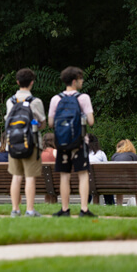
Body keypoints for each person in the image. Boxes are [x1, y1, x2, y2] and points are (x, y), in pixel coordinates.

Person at [48, 66, 97, 217]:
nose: (82, 82)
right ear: (74, 81)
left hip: (62, 143)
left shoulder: (56, 99)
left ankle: (64, 209)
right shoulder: (83, 98)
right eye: (81, 79)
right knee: (82, 175)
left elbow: (50, 123)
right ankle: (84, 209)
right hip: (79, 143)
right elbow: (91, 121)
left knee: (64, 175)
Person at [5, 68, 46, 217]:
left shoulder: (10, 102)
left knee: (16, 177)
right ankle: (29, 210)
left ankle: (15, 210)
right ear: (32, 83)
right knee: (30, 177)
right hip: (31, 143)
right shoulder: (35, 102)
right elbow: (42, 123)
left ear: (17, 82)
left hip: (13, 143)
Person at [86, 134, 114, 205]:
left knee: (88, 185)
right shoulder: (101, 154)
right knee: (106, 187)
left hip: (86, 183)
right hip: (101, 183)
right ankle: (110, 205)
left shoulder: (83, 154)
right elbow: (107, 169)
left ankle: (85, 205)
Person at [111, 139, 137, 205]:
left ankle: (119, 205)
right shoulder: (133, 155)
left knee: (119, 181)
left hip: (117, 183)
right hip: (132, 183)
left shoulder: (115, 156)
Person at [41, 133, 57, 203]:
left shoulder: (39, 153)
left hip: (41, 184)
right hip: (56, 183)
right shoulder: (56, 152)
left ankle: (46, 204)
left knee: (46, 181)